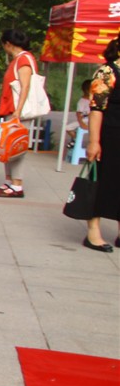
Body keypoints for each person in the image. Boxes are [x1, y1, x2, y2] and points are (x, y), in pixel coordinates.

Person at [82, 37, 120, 252]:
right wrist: (94, 141)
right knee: (102, 181)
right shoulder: (107, 71)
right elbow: (96, 108)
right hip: (112, 134)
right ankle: (93, 232)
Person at [0, 28, 38, 198]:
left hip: (18, 111)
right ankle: (10, 181)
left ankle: (17, 184)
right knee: (8, 145)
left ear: (8, 44)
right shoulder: (18, 59)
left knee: (16, 146)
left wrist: (18, 110)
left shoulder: (24, 59)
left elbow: (25, 86)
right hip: (10, 108)